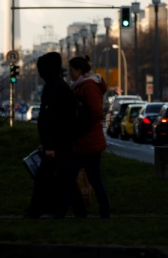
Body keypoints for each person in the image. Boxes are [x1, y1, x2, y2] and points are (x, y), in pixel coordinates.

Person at [26, 52, 82, 219]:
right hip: (57, 144)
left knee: (49, 180)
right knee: (65, 180)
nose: (39, 72)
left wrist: (51, 146)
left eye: (41, 69)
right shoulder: (55, 86)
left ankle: (37, 211)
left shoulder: (56, 88)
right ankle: (67, 211)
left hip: (58, 145)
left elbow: (58, 120)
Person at [68, 55, 110, 218]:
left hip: (88, 142)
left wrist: (80, 125)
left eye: (72, 71)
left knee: (78, 177)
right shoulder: (82, 85)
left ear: (79, 71)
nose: (70, 74)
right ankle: (97, 212)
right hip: (86, 141)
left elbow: (97, 112)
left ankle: (86, 212)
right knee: (91, 179)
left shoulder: (89, 86)